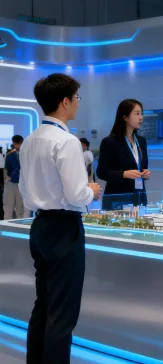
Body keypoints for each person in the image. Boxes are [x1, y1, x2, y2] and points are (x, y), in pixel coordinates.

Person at [18, 73, 102, 364]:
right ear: (65, 101)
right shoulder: (66, 141)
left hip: (40, 226)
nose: (78, 103)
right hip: (64, 229)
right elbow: (77, 195)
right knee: (62, 314)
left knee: (43, 305)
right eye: (77, 98)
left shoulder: (30, 140)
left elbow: (24, 189)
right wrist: (92, 191)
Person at [96, 99, 150, 210]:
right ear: (125, 117)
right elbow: (101, 172)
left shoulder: (141, 141)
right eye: (137, 114)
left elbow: (143, 167)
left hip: (139, 197)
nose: (141, 118)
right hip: (117, 199)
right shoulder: (110, 142)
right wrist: (124, 174)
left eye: (141, 114)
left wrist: (145, 173)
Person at [4, 134, 25, 220]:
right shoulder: (26, 154)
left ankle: (6, 226)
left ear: (13, 142)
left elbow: (6, 170)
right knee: (20, 209)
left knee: (9, 208)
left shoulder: (10, 155)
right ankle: (20, 225)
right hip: (22, 183)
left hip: (12, 183)